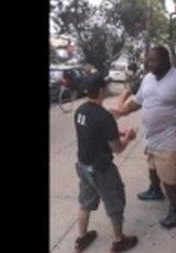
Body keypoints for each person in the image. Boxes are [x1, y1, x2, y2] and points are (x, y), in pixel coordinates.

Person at [112, 46, 176, 229]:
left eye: (154, 60)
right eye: (148, 61)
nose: (150, 65)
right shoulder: (148, 78)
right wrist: (123, 111)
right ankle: (154, 190)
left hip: (170, 139)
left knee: (169, 176)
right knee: (152, 165)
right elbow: (138, 101)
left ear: (167, 60)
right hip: (152, 135)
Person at [73, 72, 138, 252]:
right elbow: (117, 149)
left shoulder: (81, 111)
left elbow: (94, 134)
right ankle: (119, 241)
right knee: (115, 204)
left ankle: (82, 239)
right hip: (101, 170)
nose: (108, 88)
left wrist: (118, 133)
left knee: (85, 203)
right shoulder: (104, 117)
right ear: (101, 90)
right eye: (106, 86)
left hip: (83, 167)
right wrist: (128, 138)